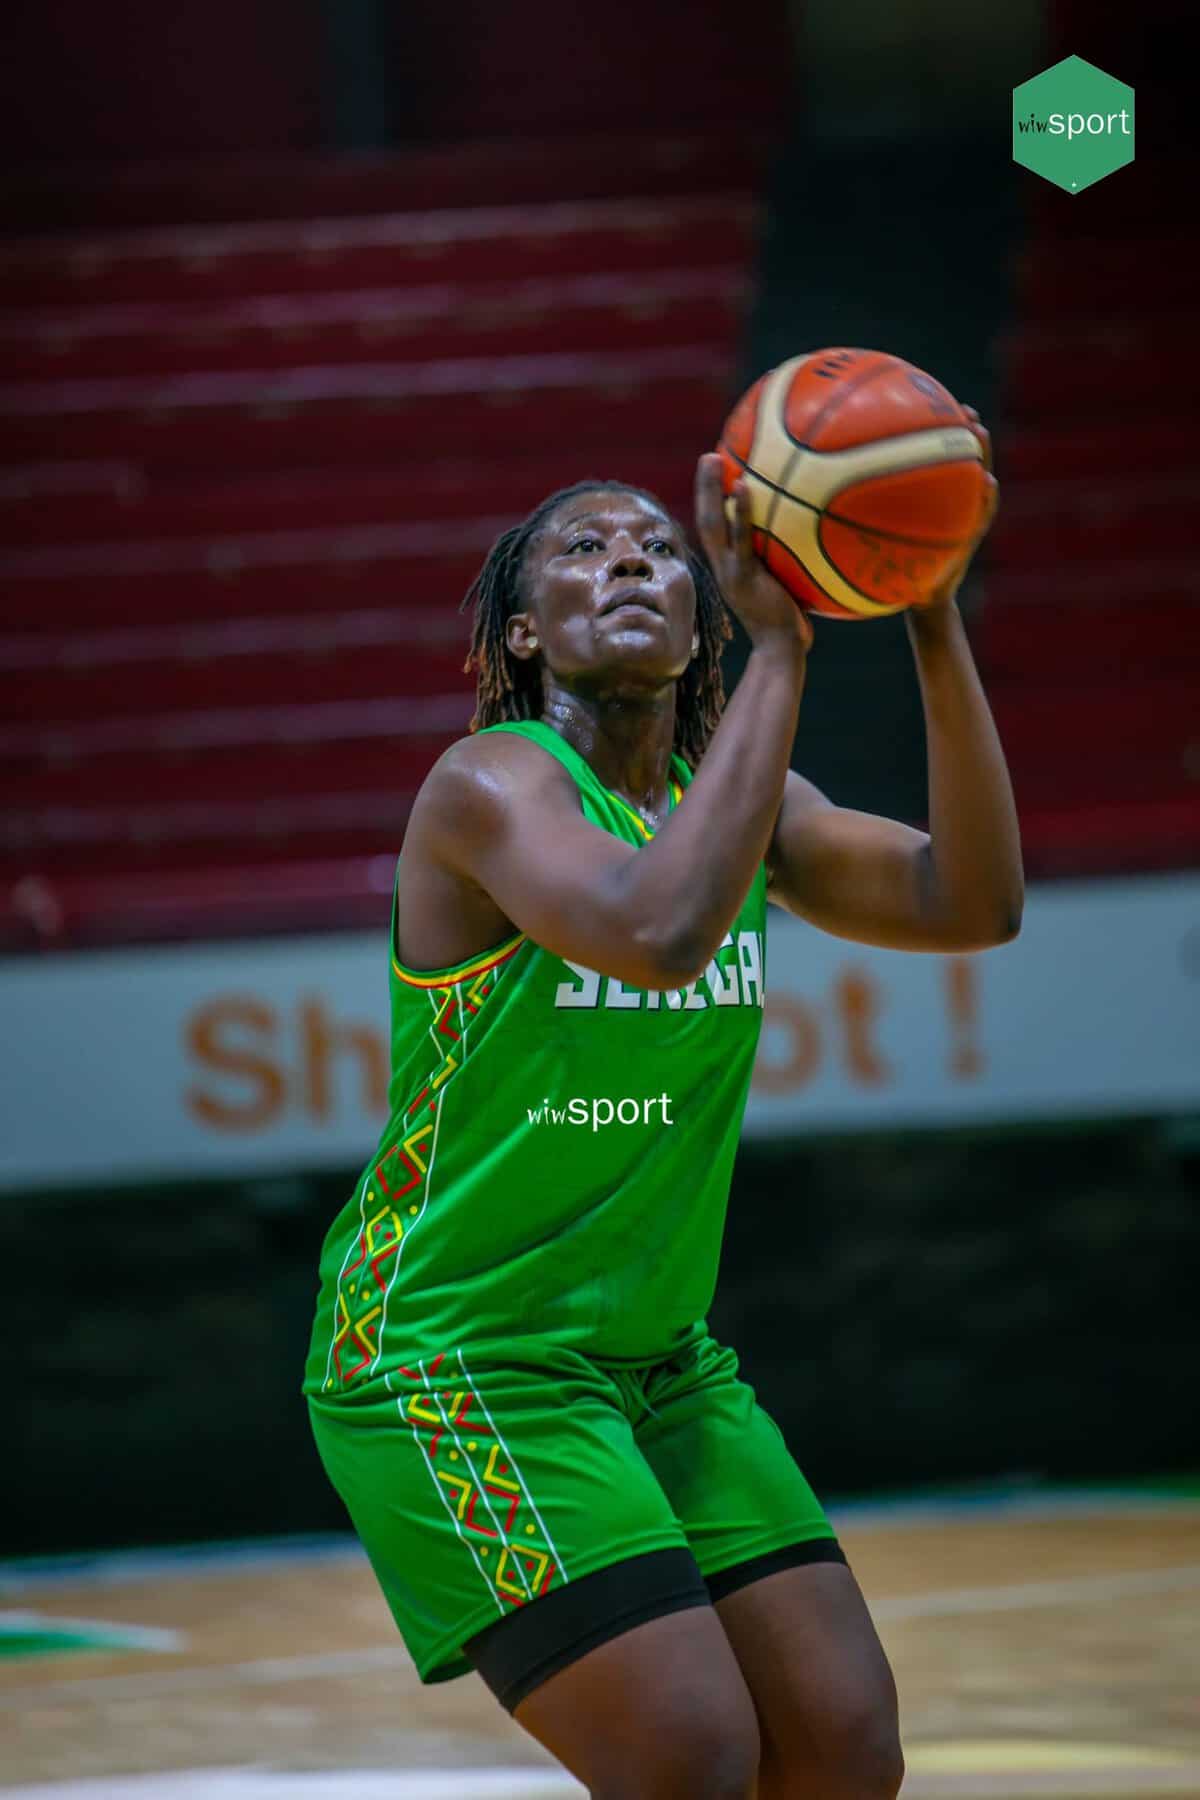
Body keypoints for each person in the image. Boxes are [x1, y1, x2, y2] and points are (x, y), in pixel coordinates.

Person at [304, 444, 1022, 1799]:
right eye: (582, 548)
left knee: (842, 1747)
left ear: (700, 614)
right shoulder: (489, 786)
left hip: (655, 1358)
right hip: (452, 1358)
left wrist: (930, 616)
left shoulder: (738, 804)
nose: (628, 559)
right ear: (524, 630)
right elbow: (659, 930)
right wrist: (787, 656)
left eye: (657, 551)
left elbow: (970, 902)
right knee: (691, 1755)